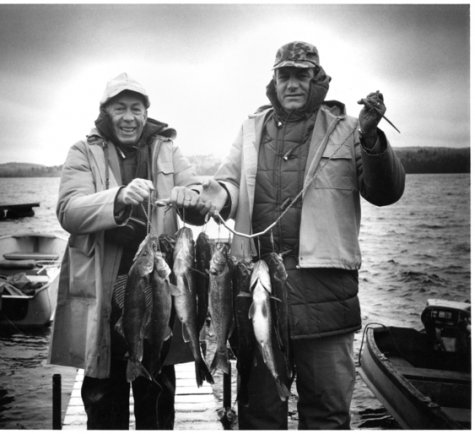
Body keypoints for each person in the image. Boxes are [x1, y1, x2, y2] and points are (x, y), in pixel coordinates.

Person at [200, 41, 406, 429]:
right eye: (284, 75)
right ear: (273, 81)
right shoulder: (249, 129)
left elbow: (386, 191)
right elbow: (227, 183)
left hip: (326, 298)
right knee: (259, 415)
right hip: (257, 290)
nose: (292, 83)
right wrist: (212, 196)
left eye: (301, 75)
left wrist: (372, 138)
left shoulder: (349, 130)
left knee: (326, 415)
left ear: (317, 79)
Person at [48, 72, 209, 430]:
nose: (129, 117)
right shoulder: (82, 151)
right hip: (103, 286)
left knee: (158, 389)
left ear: (146, 113)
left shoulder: (167, 148)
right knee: (103, 393)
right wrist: (118, 197)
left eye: (136, 108)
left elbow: (197, 199)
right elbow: (68, 211)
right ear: (105, 112)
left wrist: (191, 200)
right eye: (119, 108)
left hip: (158, 282)